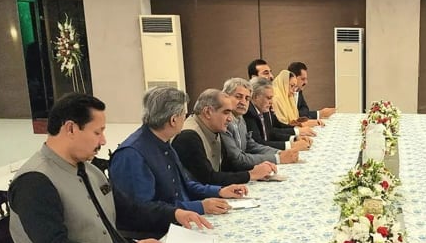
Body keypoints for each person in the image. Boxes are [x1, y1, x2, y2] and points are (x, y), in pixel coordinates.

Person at [8, 92, 211, 243]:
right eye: (98, 132)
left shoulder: (88, 169)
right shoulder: (35, 181)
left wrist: (176, 214)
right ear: (71, 129)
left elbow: (128, 209)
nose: (103, 141)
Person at [109, 87, 249, 220]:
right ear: (173, 119)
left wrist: (218, 191)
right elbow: (141, 209)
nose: (186, 118)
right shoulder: (132, 154)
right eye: (184, 114)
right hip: (156, 234)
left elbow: (185, 184)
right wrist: (198, 206)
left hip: (178, 219)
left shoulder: (163, 142)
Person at [171, 89, 276, 185]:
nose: (230, 119)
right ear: (208, 112)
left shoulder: (214, 128)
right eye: (226, 112)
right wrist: (251, 174)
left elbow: (227, 167)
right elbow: (207, 178)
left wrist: (257, 169)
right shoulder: (188, 136)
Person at [220, 77, 299, 171]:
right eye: (238, 97)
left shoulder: (240, 118)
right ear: (225, 96)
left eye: (247, 98)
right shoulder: (223, 121)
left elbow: (251, 145)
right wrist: (277, 158)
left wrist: (279, 153)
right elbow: (237, 160)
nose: (243, 102)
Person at [244, 77, 313, 151]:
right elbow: (258, 143)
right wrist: (291, 145)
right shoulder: (249, 113)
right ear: (255, 97)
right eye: (268, 98)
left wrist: (294, 139)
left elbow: (271, 134)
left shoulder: (262, 108)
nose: (271, 102)